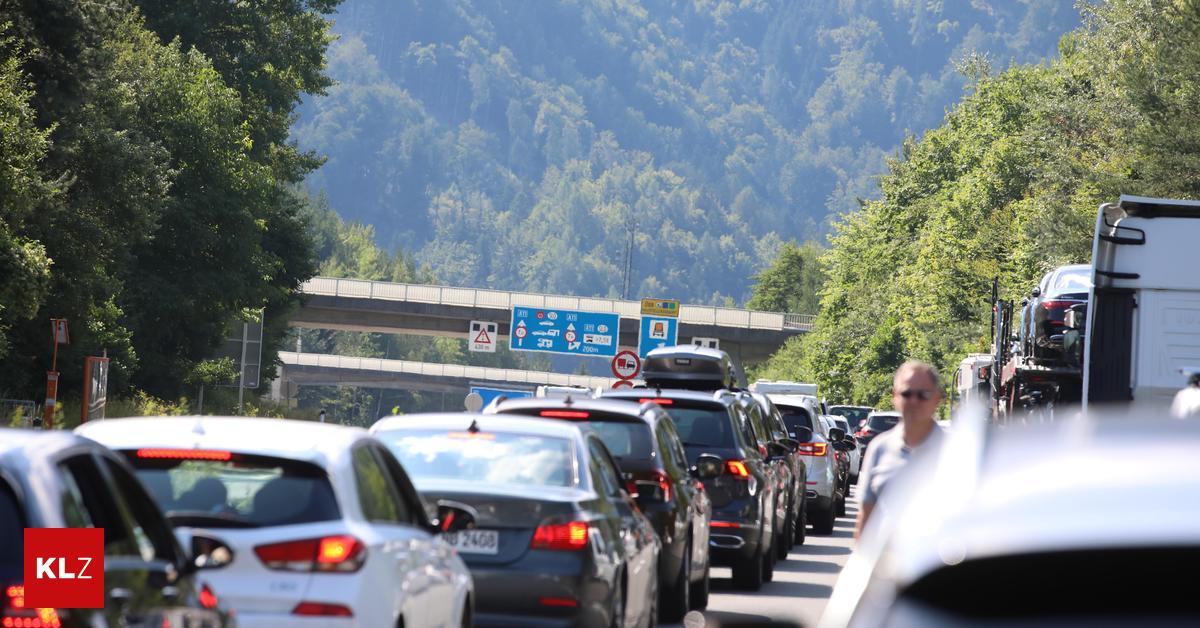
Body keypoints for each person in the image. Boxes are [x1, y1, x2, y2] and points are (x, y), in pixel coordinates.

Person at [854, 360, 947, 540]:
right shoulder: (879, 448)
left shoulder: (957, 451)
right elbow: (866, 517)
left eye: (923, 394)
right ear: (895, 396)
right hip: (888, 556)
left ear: (937, 398)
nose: (914, 401)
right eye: (906, 393)